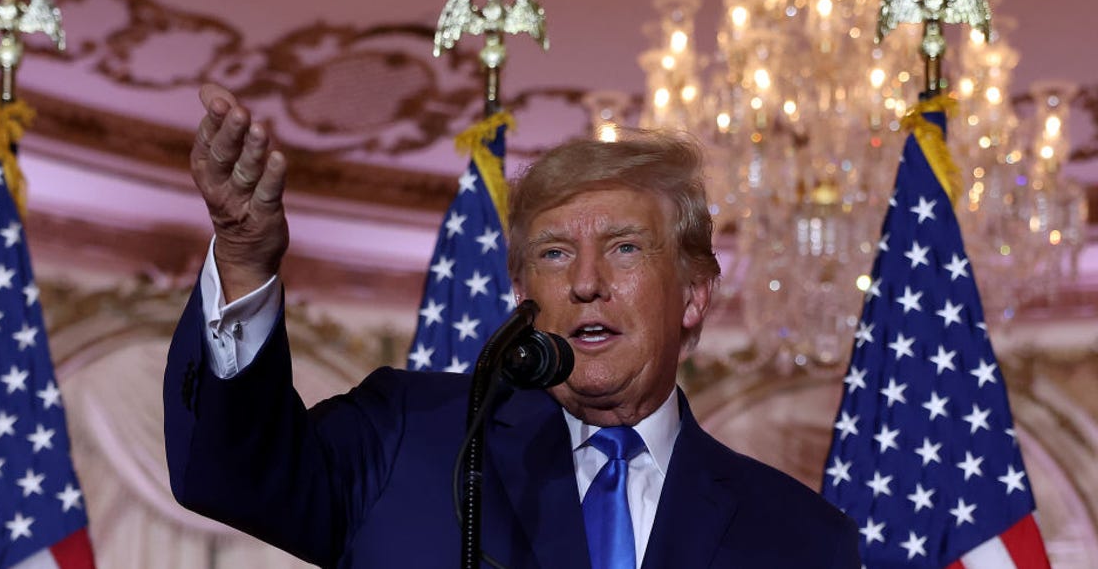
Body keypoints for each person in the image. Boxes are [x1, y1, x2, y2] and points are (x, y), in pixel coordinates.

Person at [163, 83, 861, 568]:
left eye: (624, 248)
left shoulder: (801, 539)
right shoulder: (406, 436)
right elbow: (232, 474)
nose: (585, 281)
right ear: (523, 291)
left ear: (694, 295)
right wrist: (245, 259)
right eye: (555, 254)